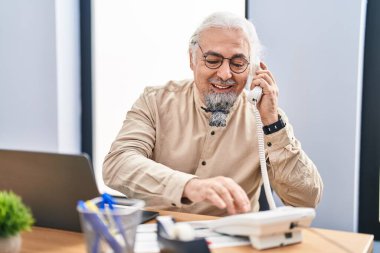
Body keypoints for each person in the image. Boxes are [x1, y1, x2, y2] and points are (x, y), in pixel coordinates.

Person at [103, 12, 323, 216]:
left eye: (238, 63)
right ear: (192, 59)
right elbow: (118, 164)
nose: (225, 74)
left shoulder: (265, 118)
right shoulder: (155, 101)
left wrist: (272, 125)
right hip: (159, 234)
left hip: (233, 241)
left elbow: (306, 200)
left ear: (253, 69)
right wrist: (189, 186)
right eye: (212, 60)